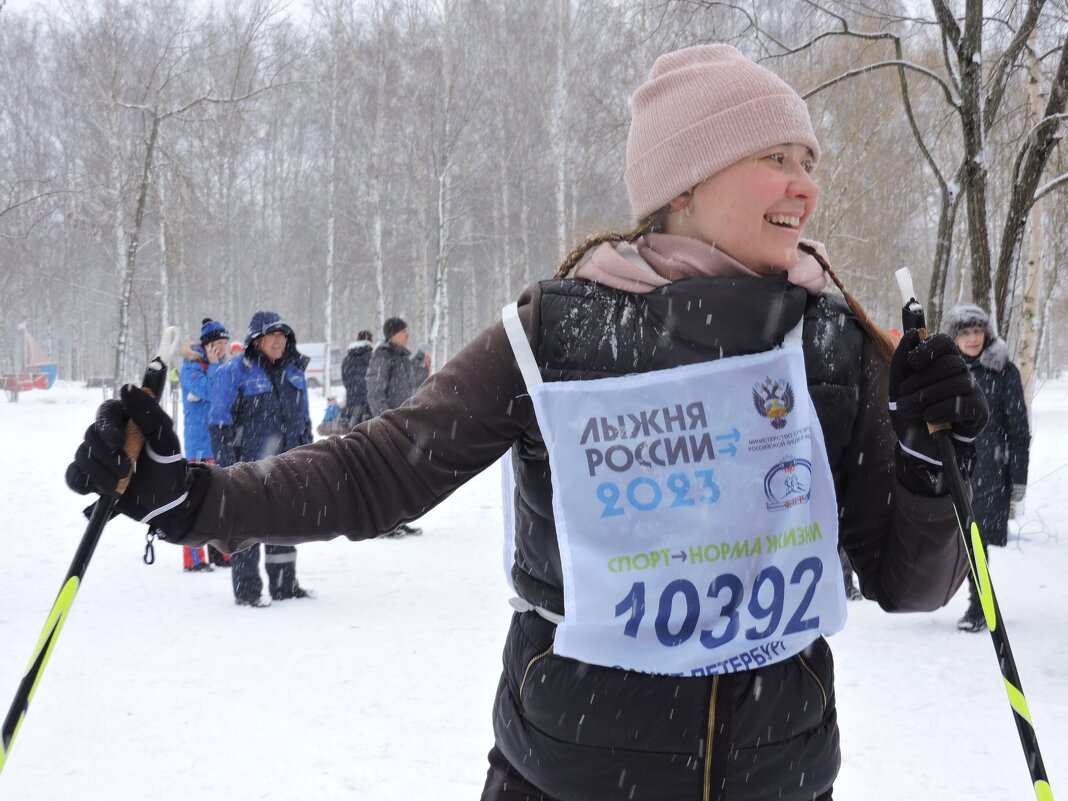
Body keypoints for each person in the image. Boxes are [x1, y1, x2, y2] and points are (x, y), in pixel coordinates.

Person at [66, 44, 988, 801]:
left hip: (778, 775)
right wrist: (190, 495)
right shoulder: (562, 326)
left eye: (809, 163)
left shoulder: (830, 338)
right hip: (570, 771)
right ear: (685, 181)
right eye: (775, 159)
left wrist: (929, 460)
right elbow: (379, 468)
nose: (805, 187)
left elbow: (910, 582)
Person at [207, 310, 315, 607]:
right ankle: (248, 591)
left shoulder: (294, 371)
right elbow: (219, 422)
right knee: (247, 528)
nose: (279, 341)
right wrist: (228, 467)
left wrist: (308, 454)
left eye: (283, 335)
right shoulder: (234, 371)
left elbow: (303, 420)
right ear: (256, 340)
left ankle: (285, 585)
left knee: (285, 526)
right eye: (273, 336)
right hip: (248, 468)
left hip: (288, 464)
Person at [943, 303, 1031, 632]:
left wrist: (1018, 479)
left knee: (974, 541)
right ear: (954, 337)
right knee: (961, 541)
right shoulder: (947, 373)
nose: (973, 338)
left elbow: (1019, 430)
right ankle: (975, 602)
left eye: (978, 331)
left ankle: (981, 607)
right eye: (965, 332)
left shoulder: (1003, 372)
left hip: (990, 472)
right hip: (953, 467)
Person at [177, 318, 232, 572]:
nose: (222, 348)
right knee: (196, 504)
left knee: (221, 503)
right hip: (199, 445)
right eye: (219, 343)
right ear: (208, 345)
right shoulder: (191, 366)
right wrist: (211, 368)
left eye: (225, 343)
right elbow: (213, 392)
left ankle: (221, 555)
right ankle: (195, 560)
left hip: (220, 443)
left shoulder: (223, 364)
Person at [366, 316, 427, 537]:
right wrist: (384, 421)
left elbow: (410, 387)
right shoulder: (382, 357)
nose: (408, 335)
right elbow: (375, 392)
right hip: (389, 426)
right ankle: (386, 524)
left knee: (403, 476)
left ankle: (401, 519)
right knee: (387, 477)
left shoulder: (403, 357)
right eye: (404, 332)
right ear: (393, 335)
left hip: (404, 424)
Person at [340, 330, 374, 428]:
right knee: (369, 432)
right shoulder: (373, 356)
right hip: (368, 402)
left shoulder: (347, 359)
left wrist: (352, 389)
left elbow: (345, 380)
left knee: (355, 432)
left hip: (352, 399)